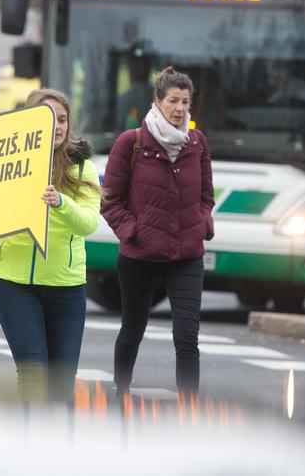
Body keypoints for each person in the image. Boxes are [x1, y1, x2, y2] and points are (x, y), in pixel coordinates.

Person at [0, 88, 101, 403]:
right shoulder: (9, 164)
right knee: (34, 372)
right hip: (14, 285)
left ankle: (59, 448)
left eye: (63, 119)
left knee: (62, 385)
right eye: (50, 119)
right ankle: (28, 445)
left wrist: (61, 201)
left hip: (67, 288)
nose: (59, 126)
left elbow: (89, 223)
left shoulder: (82, 169)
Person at [101, 66, 214, 398]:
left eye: (185, 102)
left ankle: (189, 403)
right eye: (173, 101)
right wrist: (131, 231)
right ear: (158, 101)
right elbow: (109, 200)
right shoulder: (131, 142)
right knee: (132, 330)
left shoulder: (197, 143)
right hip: (140, 255)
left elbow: (207, 196)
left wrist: (203, 222)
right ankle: (120, 391)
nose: (179, 109)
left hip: (187, 255)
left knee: (186, 335)